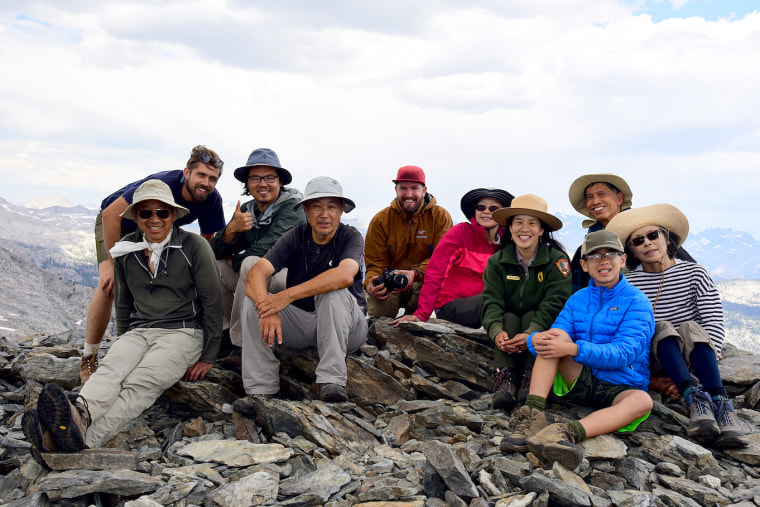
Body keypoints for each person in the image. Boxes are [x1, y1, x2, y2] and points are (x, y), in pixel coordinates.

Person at [22, 180, 223, 467]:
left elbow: (213, 303)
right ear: (137, 218)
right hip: (139, 331)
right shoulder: (126, 250)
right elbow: (124, 304)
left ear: (174, 215)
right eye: (146, 213)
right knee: (111, 371)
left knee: (138, 384)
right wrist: (123, 342)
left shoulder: (194, 246)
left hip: (183, 332)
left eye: (162, 213)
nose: (154, 219)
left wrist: (208, 355)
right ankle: (78, 414)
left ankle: (77, 439)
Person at [499, 230, 655, 470]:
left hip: (622, 384)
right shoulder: (578, 299)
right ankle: (533, 416)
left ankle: (565, 434)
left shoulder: (638, 302)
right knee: (555, 336)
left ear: (622, 260)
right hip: (579, 379)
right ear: (583, 264)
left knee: (642, 401)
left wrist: (573, 348)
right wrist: (534, 340)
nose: (603, 261)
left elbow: (626, 352)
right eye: (594, 256)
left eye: (610, 254)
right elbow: (555, 336)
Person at [81, 145, 226, 384]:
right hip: (120, 225)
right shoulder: (162, 183)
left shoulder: (211, 199)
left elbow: (207, 240)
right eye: (201, 175)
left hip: (161, 230)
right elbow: (109, 214)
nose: (206, 183)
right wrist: (110, 263)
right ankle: (90, 356)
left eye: (213, 179)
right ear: (186, 173)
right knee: (109, 285)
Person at [606, 204, 747, 448]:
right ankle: (694, 399)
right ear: (631, 252)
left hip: (695, 352)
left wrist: (710, 356)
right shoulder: (629, 283)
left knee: (691, 326)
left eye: (653, 235)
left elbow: (712, 320)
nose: (648, 243)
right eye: (638, 241)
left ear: (666, 238)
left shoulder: (695, 273)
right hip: (657, 355)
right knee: (661, 327)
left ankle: (720, 404)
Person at [234, 176, 367, 409]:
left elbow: (345, 275)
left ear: (341, 211)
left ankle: (332, 381)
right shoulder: (296, 236)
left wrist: (286, 296)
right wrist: (268, 307)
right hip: (305, 326)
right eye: (316, 206)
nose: (324, 214)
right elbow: (255, 273)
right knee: (252, 302)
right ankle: (261, 390)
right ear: (306, 210)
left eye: (332, 207)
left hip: (348, 330)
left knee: (332, 292)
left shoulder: (351, 236)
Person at [211, 148, 306, 365]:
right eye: (255, 178)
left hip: (287, 281)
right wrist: (231, 230)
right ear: (248, 183)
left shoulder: (294, 207)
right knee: (214, 265)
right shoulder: (248, 209)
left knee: (251, 263)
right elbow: (216, 250)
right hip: (255, 278)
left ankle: (241, 345)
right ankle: (224, 335)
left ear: (280, 181)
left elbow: (270, 247)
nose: (262, 184)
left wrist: (236, 260)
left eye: (269, 177)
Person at [481, 194, 572, 412]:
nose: (525, 228)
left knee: (532, 316)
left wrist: (532, 332)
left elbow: (555, 302)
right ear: (510, 227)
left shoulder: (557, 261)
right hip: (510, 329)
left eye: (532, 223)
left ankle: (533, 377)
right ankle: (504, 378)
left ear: (542, 230)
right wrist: (496, 331)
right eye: (518, 222)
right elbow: (491, 301)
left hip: (541, 329)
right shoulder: (497, 262)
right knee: (508, 318)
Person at [391, 188, 514, 328]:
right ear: (475, 211)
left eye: (493, 208)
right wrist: (421, 314)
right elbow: (436, 273)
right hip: (451, 307)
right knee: (496, 297)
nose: (486, 211)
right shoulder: (460, 233)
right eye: (481, 207)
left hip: (486, 307)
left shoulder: (507, 243)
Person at [567, 173, 694, 292]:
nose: (595, 201)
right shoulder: (583, 251)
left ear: (619, 199)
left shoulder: (650, 237)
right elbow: (577, 288)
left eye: (601, 194)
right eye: (590, 197)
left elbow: (689, 272)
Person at [364, 166, 453, 318]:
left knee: (417, 321)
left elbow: (443, 258)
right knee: (379, 317)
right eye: (403, 188)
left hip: (422, 283)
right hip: (391, 283)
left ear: (424, 191)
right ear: (396, 190)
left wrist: (415, 274)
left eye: (414, 188)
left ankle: (416, 325)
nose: (409, 194)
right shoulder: (381, 220)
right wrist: (370, 284)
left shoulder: (440, 217)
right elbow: (375, 262)